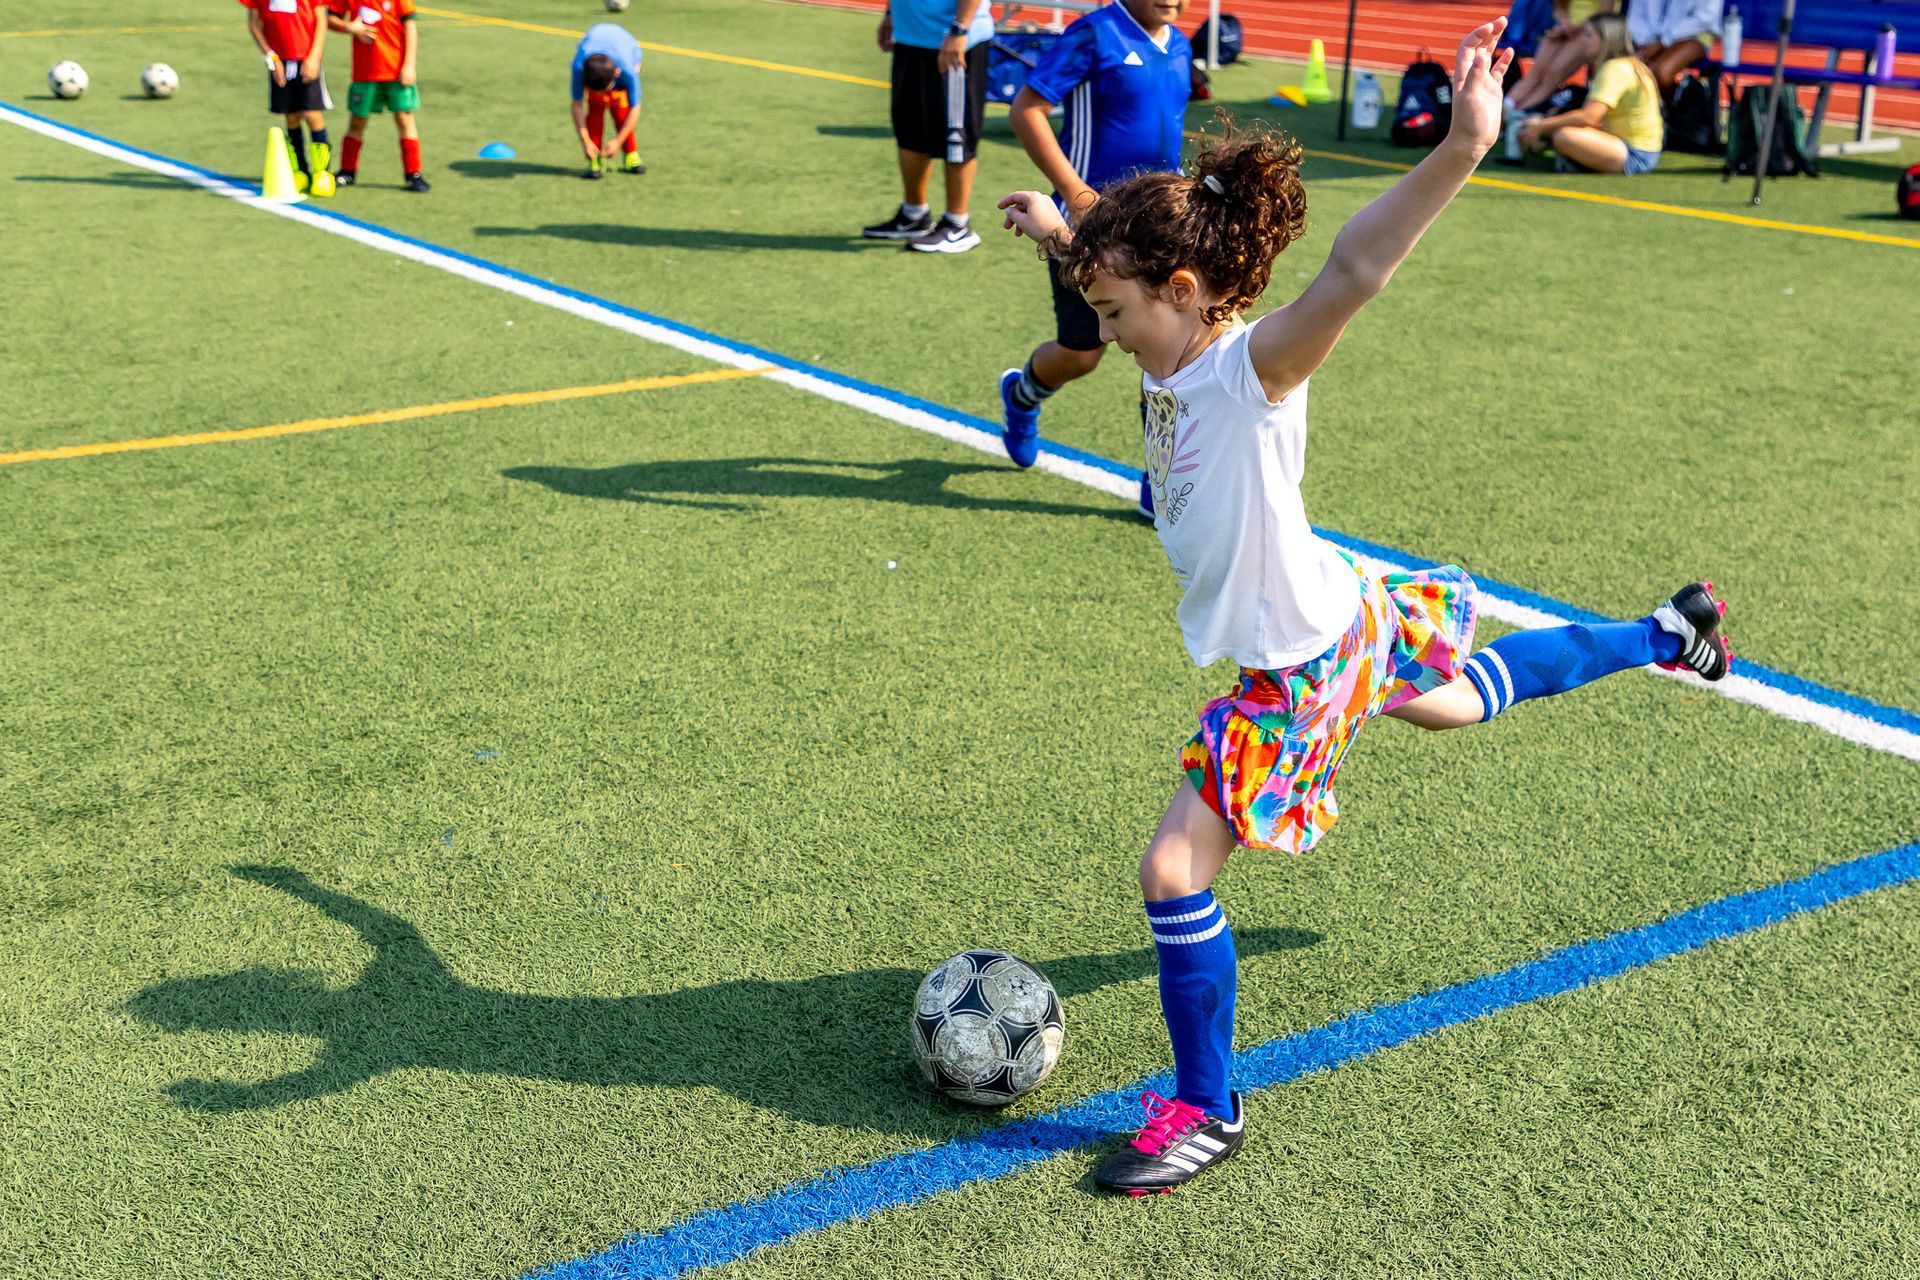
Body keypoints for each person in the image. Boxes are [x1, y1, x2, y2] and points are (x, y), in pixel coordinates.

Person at [997, 17, 1731, 1195]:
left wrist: (1463, 148)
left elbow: (1354, 270)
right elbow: (1115, 260)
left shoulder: (1250, 370)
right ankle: (1667, 632)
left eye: (1122, 311)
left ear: (1185, 295)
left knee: (1174, 873)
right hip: (1346, 614)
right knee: (1457, 706)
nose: (1114, 332)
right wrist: (1061, 226)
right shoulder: (1174, 349)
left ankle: (1205, 1104)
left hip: (1294, 664)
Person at [998, 0, 1192, 522]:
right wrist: (1078, 194)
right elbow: (1027, 110)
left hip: (1156, 229)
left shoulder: (1181, 44)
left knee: (1167, 351)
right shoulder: (1094, 34)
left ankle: (1160, 478)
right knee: (1083, 353)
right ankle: (1022, 394)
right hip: (1085, 230)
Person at [862, 0, 994, 253]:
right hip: (911, 37)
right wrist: (891, 15)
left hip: (954, 41)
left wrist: (959, 30)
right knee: (909, 132)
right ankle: (914, 215)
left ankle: (958, 224)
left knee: (957, 137)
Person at [1517, 14, 1664, 174]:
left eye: (1589, 35)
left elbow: (1589, 117)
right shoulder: (1631, 64)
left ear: (1605, 40)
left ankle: (1574, 160)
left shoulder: (1614, 69)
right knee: (1561, 127)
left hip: (1633, 153)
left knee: (1563, 136)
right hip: (1641, 148)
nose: (1583, 41)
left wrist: (1540, 126)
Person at [326, 0, 427, 192]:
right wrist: (350, 27)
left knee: (405, 119)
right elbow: (329, 18)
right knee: (357, 122)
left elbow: (410, 27)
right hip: (365, 72)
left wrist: (409, 65)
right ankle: (348, 171)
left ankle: (413, 174)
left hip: (397, 72)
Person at [240, 0, 336, 197]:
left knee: (312, 113)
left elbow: (321, 19)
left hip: (307, 59)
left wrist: (314, 56)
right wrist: (271, 57)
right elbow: (254, 23)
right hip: (280, 61)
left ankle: (323, 172)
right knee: (291, 115)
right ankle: (299, 170)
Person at [1503, 0, 1617, 113]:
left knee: (1552, 75)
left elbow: (1605, 15)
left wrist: (1579, 27)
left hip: (1588, 33)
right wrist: (1564, 23)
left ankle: (1517, 115)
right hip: (1565, 28)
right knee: (1535, 73)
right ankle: (1506, 109)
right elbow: (1558, 6)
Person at [571, 22, 645, 180]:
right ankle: (595, 156)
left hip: (628, 46)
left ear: (617, 73)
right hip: (596, 49)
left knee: (620, 107)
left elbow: (635, 108)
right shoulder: (579, 67)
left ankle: (631, 153)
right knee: (596, 106)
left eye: (606, 90)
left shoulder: (628, 70)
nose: (605, 94)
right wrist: (585, 142)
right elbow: (577, 105)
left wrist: (618, 141)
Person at [1627, 0, 1722, 94]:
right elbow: (1636, 17)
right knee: (1633, 72)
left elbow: (1704, 19)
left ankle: (1675, 103)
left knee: (1658, 74)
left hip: (1690, 38)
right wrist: (1646, 42)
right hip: (1647, 41)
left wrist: (1664, 41)